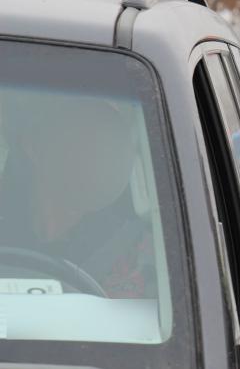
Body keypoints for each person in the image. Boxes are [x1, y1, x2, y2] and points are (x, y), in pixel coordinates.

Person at [0, 94, 155, 298]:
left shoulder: (139, 250)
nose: (93, 163)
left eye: (104, 152)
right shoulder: (7, 223)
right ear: (34, 148)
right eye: (78, 144)